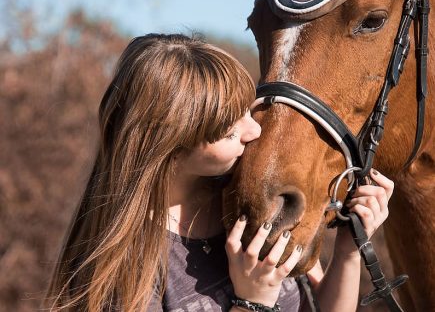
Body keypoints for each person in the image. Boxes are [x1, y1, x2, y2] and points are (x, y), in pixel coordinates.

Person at [46, 33, 394, 312]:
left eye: (249, 110)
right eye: (230, 130)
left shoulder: (245, 195)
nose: (254, 131)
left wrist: (350, 246)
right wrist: (252, 302)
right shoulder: (126, 268)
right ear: (173, 147)